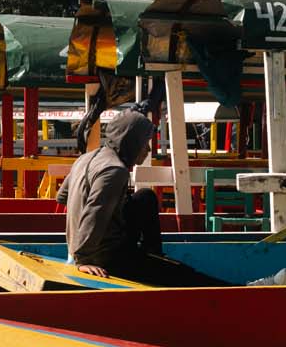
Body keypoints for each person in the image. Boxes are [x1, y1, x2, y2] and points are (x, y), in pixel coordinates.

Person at [55, 109, 222, 285]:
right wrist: (83, 259)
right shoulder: (115, 171)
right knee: (185, 277)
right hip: (105, 257)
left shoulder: (85, 158)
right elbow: (95, 214)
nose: (149, 149)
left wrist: (115, 208)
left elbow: (62, 196)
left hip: (87, 245)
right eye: (145, 143)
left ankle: (152, 253)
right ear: (131, 142)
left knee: (145, 197)